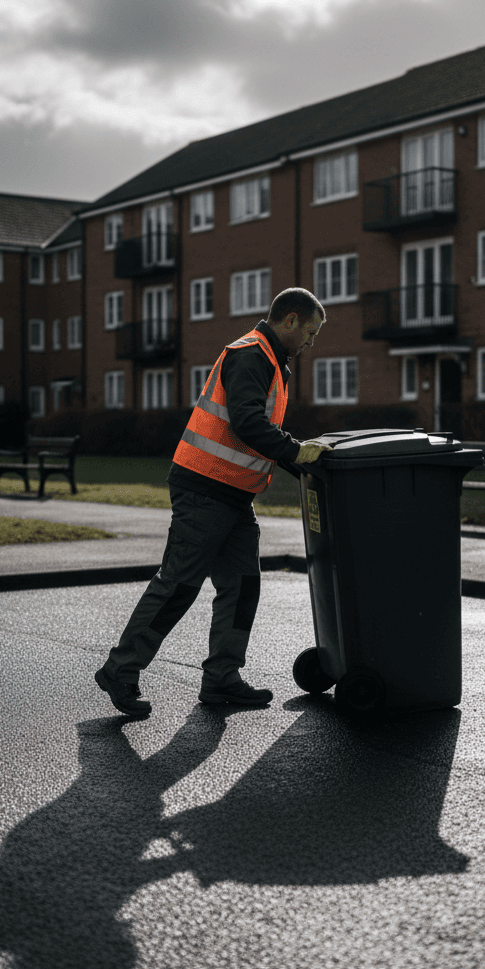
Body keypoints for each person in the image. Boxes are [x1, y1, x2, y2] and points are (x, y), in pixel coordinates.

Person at [95, 287, 332, 717]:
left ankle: (222, 678)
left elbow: (257, 437)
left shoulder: (274, 363)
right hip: (204, 490)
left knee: (242, 585)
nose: (311, 343)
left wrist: (312, 470)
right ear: (291, 320)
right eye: (311, 333)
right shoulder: (251, 355)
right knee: (179, 585)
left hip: (233, 495)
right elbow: (246, 423)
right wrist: (296, 452)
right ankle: (121, 669)